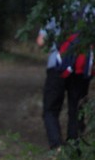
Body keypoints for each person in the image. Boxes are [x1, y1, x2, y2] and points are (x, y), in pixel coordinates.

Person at [36, 11, 93, 150]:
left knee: (50, 110)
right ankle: (75, 150)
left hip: (57, 66)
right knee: (77, 109)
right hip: (81, 67)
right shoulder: (90, 9)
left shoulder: (55, 9)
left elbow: (41, 41)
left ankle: (57, 148)